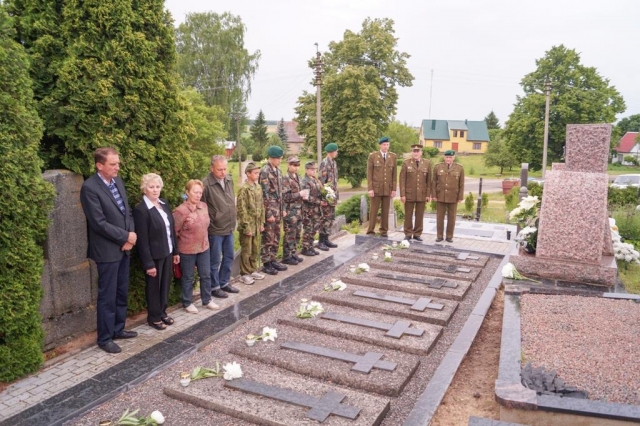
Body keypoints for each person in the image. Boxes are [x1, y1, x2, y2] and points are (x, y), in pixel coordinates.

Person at [80, 147, 138, 354]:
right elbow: (98, 223)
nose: (117, 167)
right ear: (99, 165)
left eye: (118, 163)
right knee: (108, 296)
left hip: (124, 247)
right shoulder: (90, 188)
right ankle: (104, 338)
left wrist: (130, 236)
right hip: (106, 251)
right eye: (113, 164)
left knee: (122, 291)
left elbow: (127, 212)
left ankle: (118, 329)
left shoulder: (117, 182)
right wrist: (124, 237)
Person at [132, 173, 179, 331]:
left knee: (165, 285)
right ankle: (153, 317)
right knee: (153, 287)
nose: (155, 190)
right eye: (151, 187)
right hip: (153, 257)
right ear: (144, 189)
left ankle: (162, 312)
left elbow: (171, 229)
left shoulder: (164, 203)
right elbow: (142, 241)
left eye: (158, 187)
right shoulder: (141, 210)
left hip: (168, 252)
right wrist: (148, 263)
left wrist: (176, 252)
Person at [173, 179, 219, 314]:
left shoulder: (203, 206)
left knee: (206, 275)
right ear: (187, 192)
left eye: (200, 192)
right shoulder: (180, 211)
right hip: (187, 249)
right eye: (195, 192)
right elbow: (175, 232)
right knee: (188, 277)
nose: (198, 195)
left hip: (204, 247)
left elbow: (206, 225)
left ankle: (207, 299)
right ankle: (187, 302)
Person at [203, 155, 240, 298]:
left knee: (229, 256)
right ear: (212, 168)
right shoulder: (206, 184)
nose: (223, 172)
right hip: (215, 229)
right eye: (219, 170)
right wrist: (211, 222)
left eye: (225, 169)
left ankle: (224, 282)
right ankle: (215, 286)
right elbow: (202, 206)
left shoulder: (229, 179)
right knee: (215, 260)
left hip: (229, 226)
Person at [236, 163, 266, 284]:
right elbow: (241, 209)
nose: (257, 175)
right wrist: (246, 226)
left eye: (258, 173)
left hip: (257, 224)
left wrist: (262, 222)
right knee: (246, 249)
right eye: (255, 173)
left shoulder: (258, 187)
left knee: (255, 248)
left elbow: (262, 206)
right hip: (247, 225)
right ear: (248, 174)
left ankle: (253, 269)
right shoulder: (244, 189)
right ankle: (244, 273)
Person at [260, 146, 288, 275]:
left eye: (281, 158)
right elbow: (264, 194)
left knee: (276, 234)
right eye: (278, 158)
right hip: (270, 210)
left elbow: (281, 193)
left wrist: (283, 209)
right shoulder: (265, 171)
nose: (280, 160)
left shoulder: (278, 171)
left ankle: (273, 259)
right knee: (268, 236)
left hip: (278, 209)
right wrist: (268, 213)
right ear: (272, 158)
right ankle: (266, 263)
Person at [399, 144, 432, 241]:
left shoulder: (427, 163)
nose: (416, 153)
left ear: (421, 152)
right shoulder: (406, 163)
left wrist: (428, 194)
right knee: (408, 214)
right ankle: (408, 233)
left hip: (421, 194)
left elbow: (429, 180)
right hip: (409, 193)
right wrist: (403, 194)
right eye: (414, 151)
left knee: (419, 215)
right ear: (412, 152)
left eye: (418, 151)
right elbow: (402, 180)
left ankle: (417, 233)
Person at [366, 136, 397, 237]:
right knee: (373, 210)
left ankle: (384, 231)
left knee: (385, 211)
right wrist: (370, 188)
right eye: (384, 145)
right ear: (380, 145)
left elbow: (394, 174)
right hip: (376, 188)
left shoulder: (392, 157)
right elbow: (369, 173)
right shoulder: (373, 156)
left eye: (387, 145)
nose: (386, 147)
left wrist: (393, 189)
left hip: (387, 188)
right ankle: (370, 231)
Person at [432, 150, 465, 242]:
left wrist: (460, 196)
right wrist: (434, 195)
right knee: (439, 217)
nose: (448, 159)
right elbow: (434, 182)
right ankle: (439, 236)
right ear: (444, 157)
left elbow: (461, 184)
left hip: (453, 196)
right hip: (440, 196)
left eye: (450, 157)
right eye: (447, 157)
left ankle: (449, 236)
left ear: (453, 158)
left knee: (452, 217)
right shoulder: (437, 167)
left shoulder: (459, 168)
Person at [281, 156, 308, 265]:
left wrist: (304, 195)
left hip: (299, 210)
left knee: (297, 233)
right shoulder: (286, 179)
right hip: (290, 211)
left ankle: (293, 253)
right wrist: (299, 194)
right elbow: (285, 196)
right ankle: (287, 256)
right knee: (289, 234)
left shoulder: (298, 177)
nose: (296, 168)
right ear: (288, 165)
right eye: (294, 165)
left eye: (297, 165)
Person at [300, 161, 324, 256]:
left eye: (315, 169)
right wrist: (319, 202)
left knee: (314, 228)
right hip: (308, 210)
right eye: (312, 169)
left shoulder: (314, 179)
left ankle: (310, 246)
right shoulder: (305, 181)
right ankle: (305, 248)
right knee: (308, 229)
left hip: (316, 210)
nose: (314, 171)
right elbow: (306, 197)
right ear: (306, 170)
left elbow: (318, 192)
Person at [318, 142, 339, 248]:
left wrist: (335, 196)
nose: (337, 153)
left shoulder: (333, 163)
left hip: (332, 196)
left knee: (330, 218)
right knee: (324, 218)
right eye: (336, 151)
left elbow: (335, 180)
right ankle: (321, 241)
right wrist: (324, 197)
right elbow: (321, 182)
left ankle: (326, 239)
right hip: (326, 197)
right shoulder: (324, 163)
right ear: (332, 152)